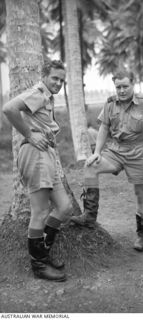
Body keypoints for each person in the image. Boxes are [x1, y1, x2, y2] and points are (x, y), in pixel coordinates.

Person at [71, 69, 143, 252]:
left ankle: (142, 236)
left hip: (138, 152)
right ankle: (89, 216)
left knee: (140, 194)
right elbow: (104, 127)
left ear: (133, 84)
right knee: (90, 167)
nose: (121, 90)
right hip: (116, 150)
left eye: (125, 86)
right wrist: (97, 152)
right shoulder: (110, 104)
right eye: (118, 87)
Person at [3, 60, 73, 282]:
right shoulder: (38, 93)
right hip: (36, 154)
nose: (59, 83)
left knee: (64, 207)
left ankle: (43, 252)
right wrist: (30, 134)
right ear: (44, 75)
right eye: (55, 78)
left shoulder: (47, 97)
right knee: (40, 211)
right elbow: (9, 108)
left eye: (62, 80)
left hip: (47, 155)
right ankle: (39, 266)